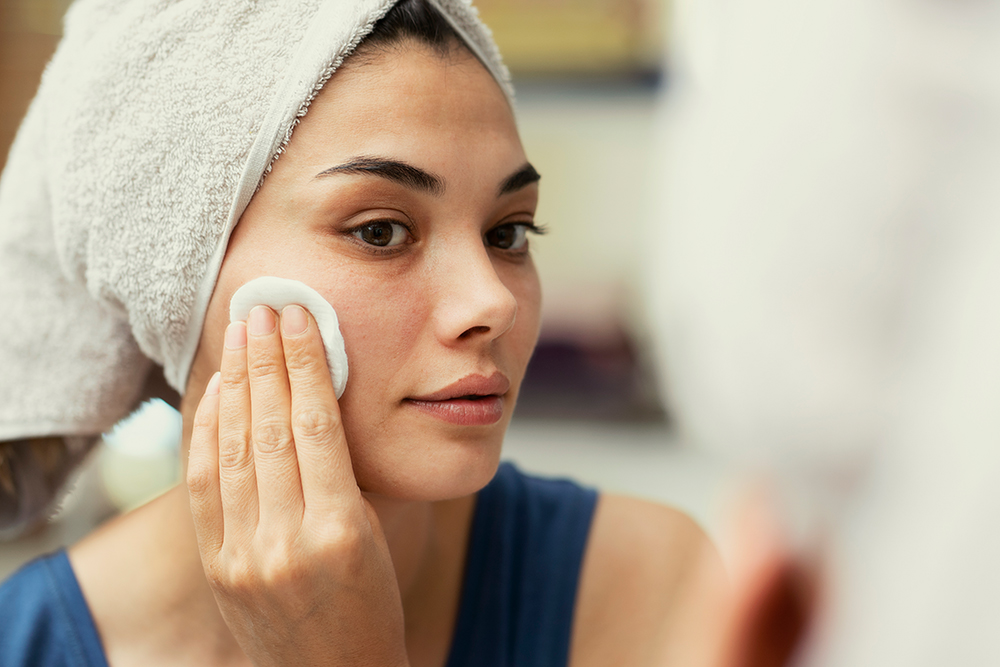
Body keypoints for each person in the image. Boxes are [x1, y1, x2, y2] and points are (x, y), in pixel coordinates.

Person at [0, 1, 722, 665]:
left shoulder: (650, 587)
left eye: (508, 231)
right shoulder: (23, 642)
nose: (491, 300)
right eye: (381, 230)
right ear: (171, 271)